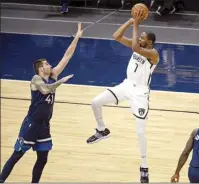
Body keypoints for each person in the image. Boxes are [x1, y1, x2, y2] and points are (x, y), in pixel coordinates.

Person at [0, 23, 83, 183]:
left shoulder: (53, 75)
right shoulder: (36, 79)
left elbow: (67, 56)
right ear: (40, 69)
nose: (49, 64)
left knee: (43, 158)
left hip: (45, 125)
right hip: (31, 124)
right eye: (46, 64)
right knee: (17, 155)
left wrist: (77, 37)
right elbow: (46, 90)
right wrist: (62, 81)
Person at [86, 10, 159, 183]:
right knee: (95, 102)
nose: (139, 38)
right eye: (139, 35)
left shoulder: (153, 54)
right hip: (125, 85)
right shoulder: (137, 46)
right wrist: (130, 21)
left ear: (149, 42)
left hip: (140, 93)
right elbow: (116, 36)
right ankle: (102, 130)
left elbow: (134, 47)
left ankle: (144, 166)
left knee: (140, 132)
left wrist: (136, 25)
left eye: (142, 37)